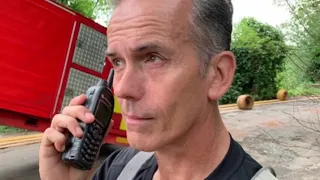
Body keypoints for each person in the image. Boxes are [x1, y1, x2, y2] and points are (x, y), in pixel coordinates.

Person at [39, 0, 277, 179]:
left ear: (218, 75)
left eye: (153, 58)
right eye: (118, 63)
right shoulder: (119, 170)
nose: (121, 89)